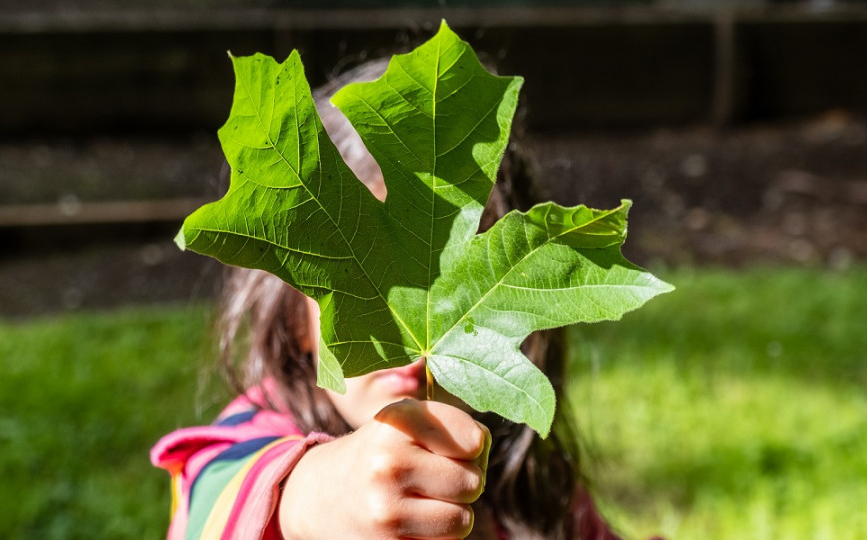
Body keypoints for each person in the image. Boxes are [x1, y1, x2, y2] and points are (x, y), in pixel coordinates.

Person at [152, 59, 625, 540]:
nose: (407, 317)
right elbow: (215, 499)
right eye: (363, 280)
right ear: (296, 315)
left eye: (451, 280)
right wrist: (326, 495)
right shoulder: (247, 440)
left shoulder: (528, 488)